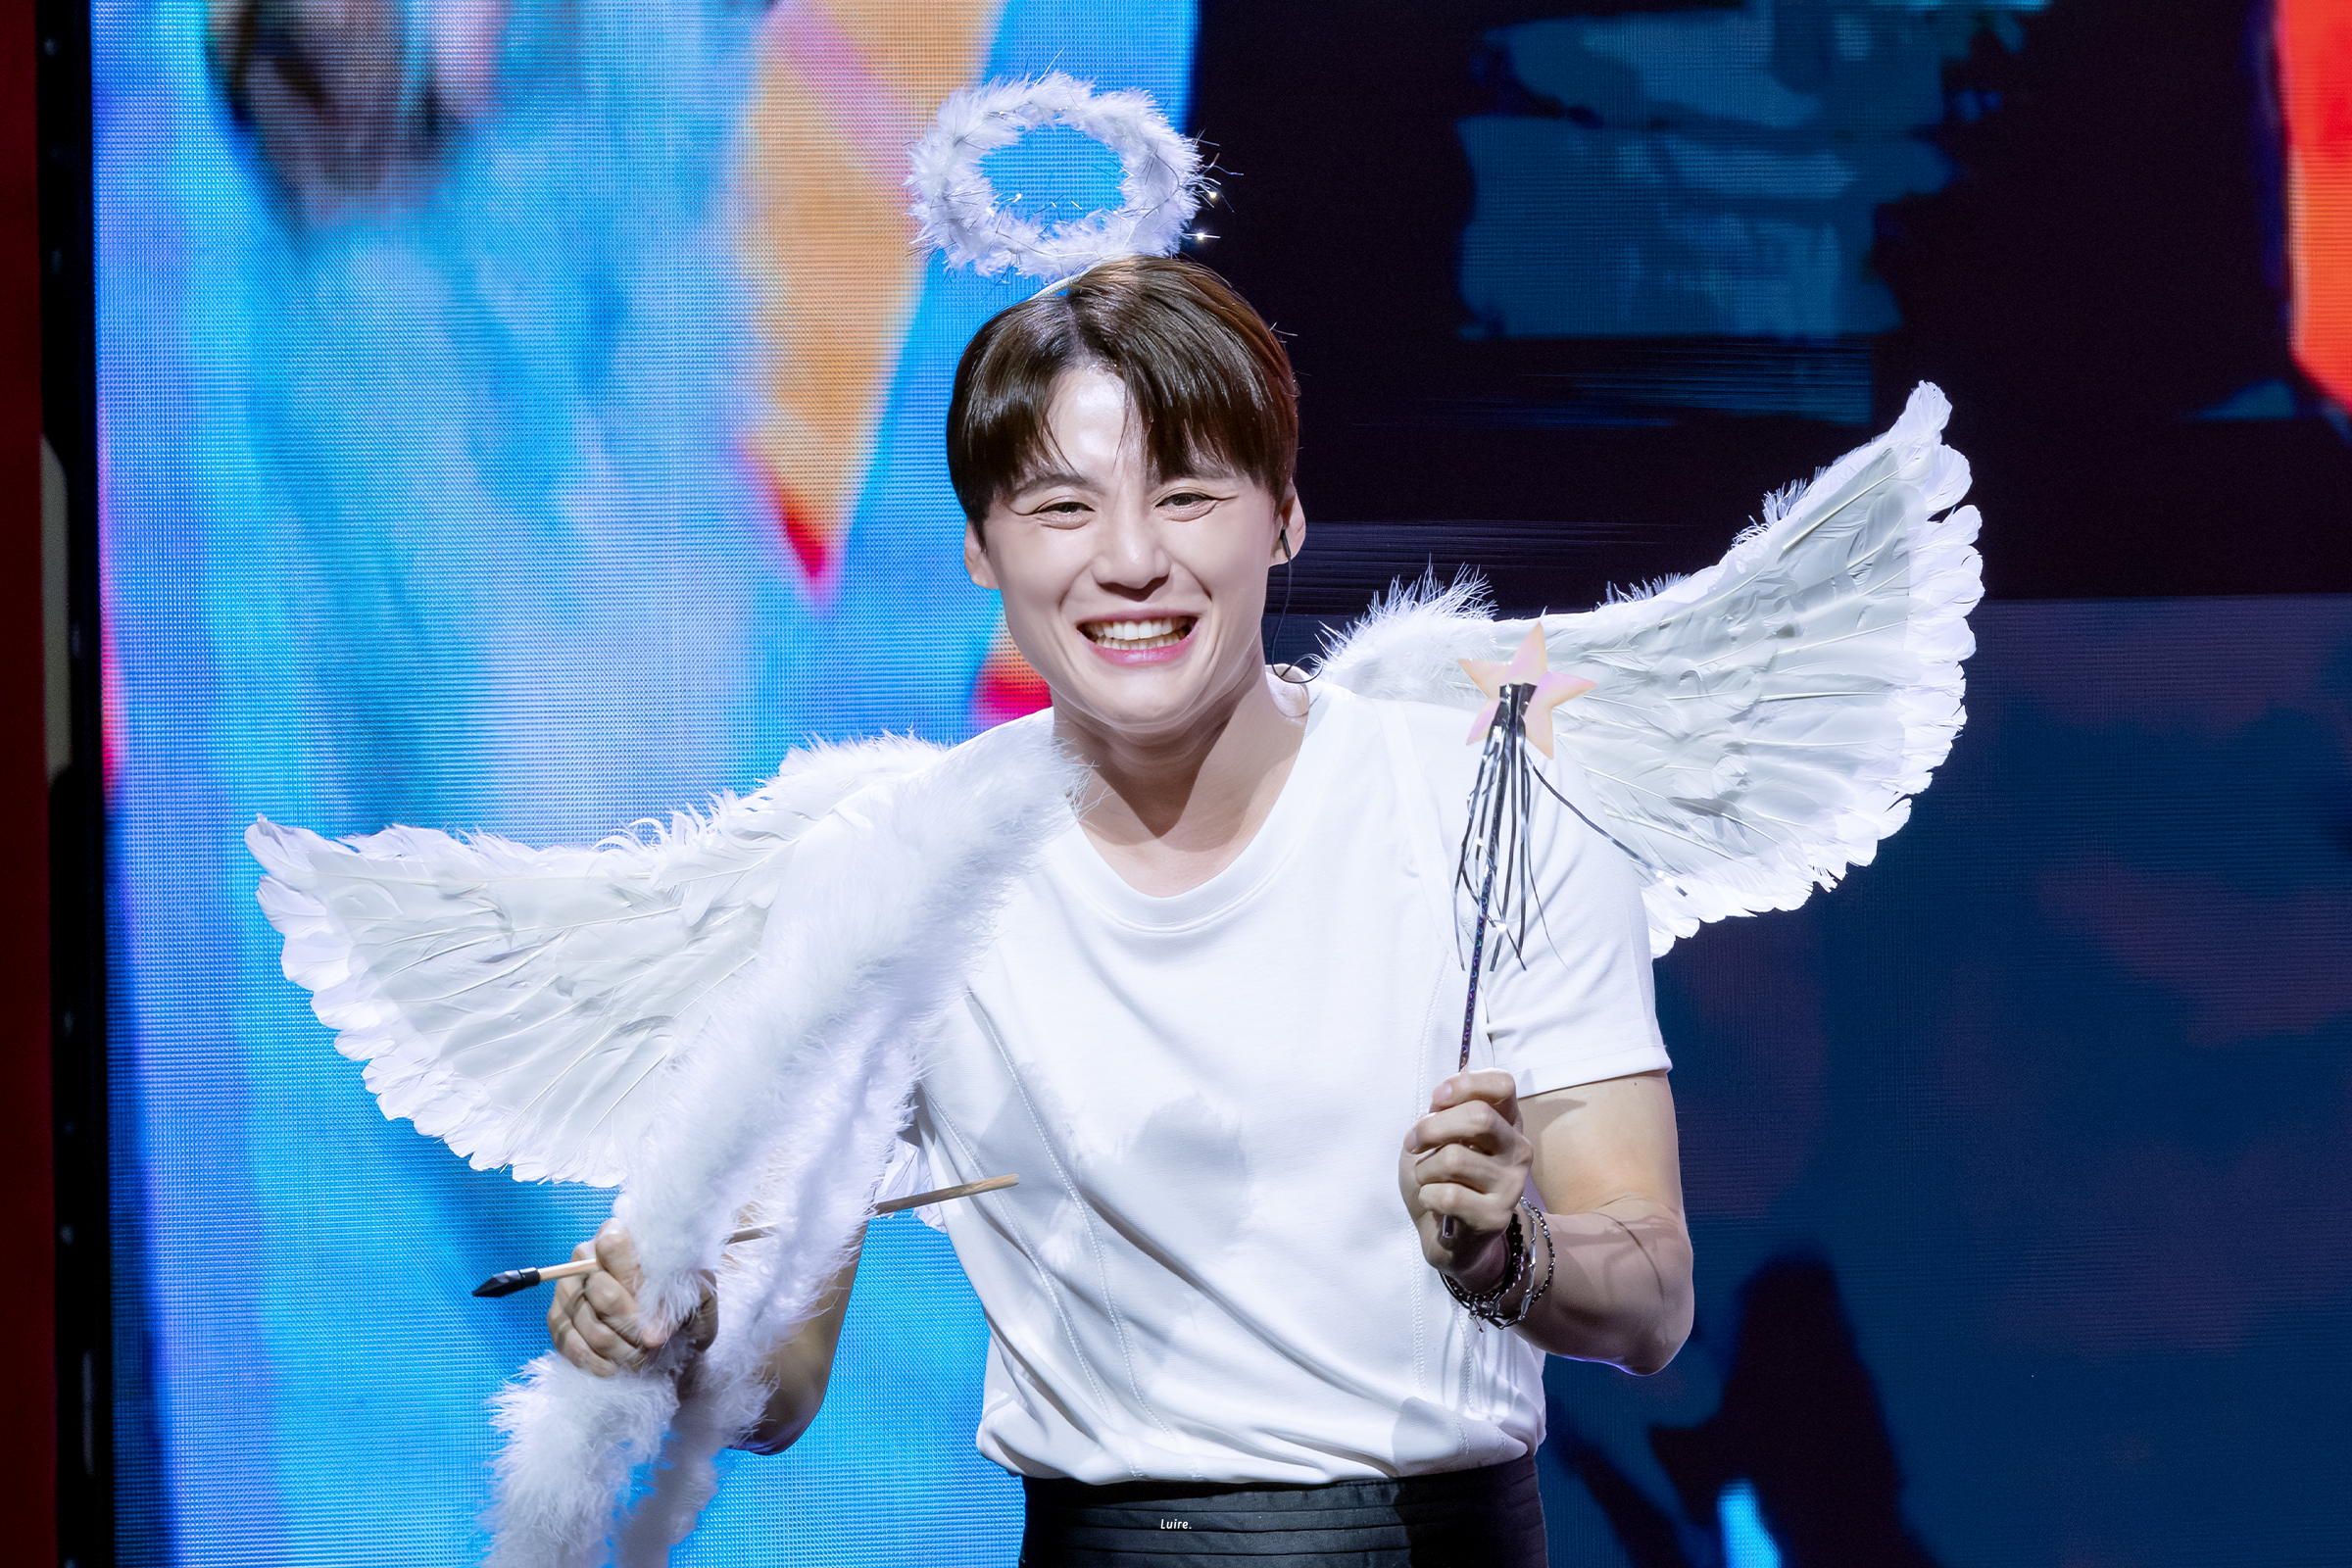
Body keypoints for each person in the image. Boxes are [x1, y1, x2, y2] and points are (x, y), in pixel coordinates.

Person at [543, 256, 1694, 1565]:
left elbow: (1653, 1295)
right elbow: (784, 1374)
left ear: (1283, 518)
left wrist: (1510, 1258)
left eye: (1188, 495)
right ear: (981, 547)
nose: (1133, 562)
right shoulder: (893, 873)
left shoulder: (1497, 807)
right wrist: (678, 1334)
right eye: (1062, 508)